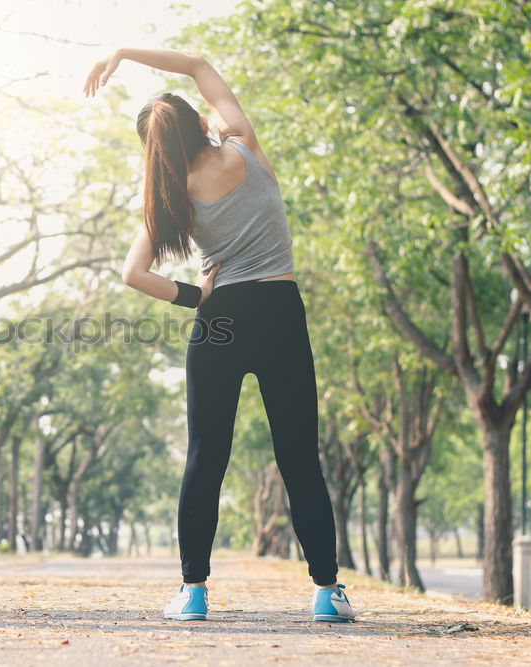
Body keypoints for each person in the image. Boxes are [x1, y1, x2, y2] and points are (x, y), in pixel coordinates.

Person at [83, 47, 356, 623]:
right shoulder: (242, 145)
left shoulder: (170, 197)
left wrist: (193, 296)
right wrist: (124, 53)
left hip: (220, 318)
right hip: (280, 310)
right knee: (299, 458)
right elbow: (199, 64)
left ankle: (193, 593)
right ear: (199, 123)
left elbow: (133, 274)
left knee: (206, 457)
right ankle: (328, 593)